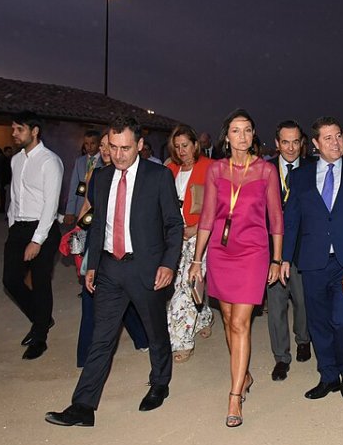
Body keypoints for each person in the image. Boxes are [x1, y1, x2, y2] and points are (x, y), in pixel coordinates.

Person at [45, 116, 182, 427]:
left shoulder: (158, 176)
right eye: (113, 147)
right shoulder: (102, 178)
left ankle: (160, 383)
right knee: (102, 338)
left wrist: (167, 264)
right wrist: (91, 266)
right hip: (109, 267)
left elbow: (174, 225)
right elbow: (98, 225)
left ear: (140, 145)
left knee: (155, 331)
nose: (118, 154)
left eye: (125, 148)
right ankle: (83, 406)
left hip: (146, 268)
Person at [188, 109, 283, 427]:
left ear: (253, 134)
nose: (241, 136)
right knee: (228, 319)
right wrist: (197, 259)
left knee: (241, 323)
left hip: (253, 253)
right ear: (226, 137)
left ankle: (234, 396)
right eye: (235, 130)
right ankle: (245, 375)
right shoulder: (216, 170)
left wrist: (277, 258)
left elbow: (276, 218)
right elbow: (207, 217)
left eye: (246, 130)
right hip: (220, 251)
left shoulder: (266, 170)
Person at [281, 117, 343, 400]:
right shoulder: (301, 176)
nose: (335, 142)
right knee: (318, 322)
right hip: (312, 260)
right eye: (327, 138)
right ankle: (328, 375)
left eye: (338, 136)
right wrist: (282, 258)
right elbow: (291, 220)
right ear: (315, 144)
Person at [75, 132, 148, 367]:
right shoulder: (96, 175)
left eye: (111, 146)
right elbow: (87, 204)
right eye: (105, 146)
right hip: (97, 242)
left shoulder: (133, 175)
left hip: (123, 247)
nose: (107, 150)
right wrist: (77, 231)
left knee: (124, 299)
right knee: (91, 299)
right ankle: (86, 356)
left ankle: (143, 337)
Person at [3, 112, 64, 360]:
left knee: (40, 281)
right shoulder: (16, 160)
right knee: (11, 280)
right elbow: (15, 196)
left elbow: (50, 204)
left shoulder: (50, 161)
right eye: (14, 129)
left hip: (43, 227)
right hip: (19, 226)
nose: (14, 134)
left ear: (35, 130)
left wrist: (37, 240)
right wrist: (11, 224)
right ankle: (42, 319)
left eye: (20, 129)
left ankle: (40, 337)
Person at [266, 120, 311, 382]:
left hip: (303, 248)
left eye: (296, 141)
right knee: (276, 304)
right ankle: (281, 357)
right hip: (273, 250)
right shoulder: (266, 169)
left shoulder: (311, 169)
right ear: (277, 143)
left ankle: (303, 339)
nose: (291, 147)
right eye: (286, 142)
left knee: (303, 300)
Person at [166, 125, 214, 362]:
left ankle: (180, 341)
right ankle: (203, 316)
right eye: (177, 147)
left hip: (200, 235)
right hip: (174, 235)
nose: (182, 151)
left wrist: (197, 228)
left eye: (186, 145)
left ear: (195, 145)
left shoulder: (210, 168)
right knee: (179, 282)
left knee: (186, 284)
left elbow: (219, 205)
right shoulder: (170, 169)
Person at [63, 130, 101, 226]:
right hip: (79, 208)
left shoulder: (105, 161)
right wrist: (70, 211)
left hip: (96, 208)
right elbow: (73, 187)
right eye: (86, 144)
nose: (89, 147)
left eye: (92, 143)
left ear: (99, 143)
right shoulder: (80, 161)